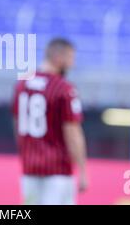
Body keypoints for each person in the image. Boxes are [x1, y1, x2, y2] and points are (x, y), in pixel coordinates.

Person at [11, 38, 88, 205]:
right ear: (58, 57)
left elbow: (17, 124)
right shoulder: (64, 88)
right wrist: (82, 170)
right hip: (58, 171)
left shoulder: (22, 84)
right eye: (70, 59)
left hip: (29, 168)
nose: (72, 65)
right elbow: (72, 132)